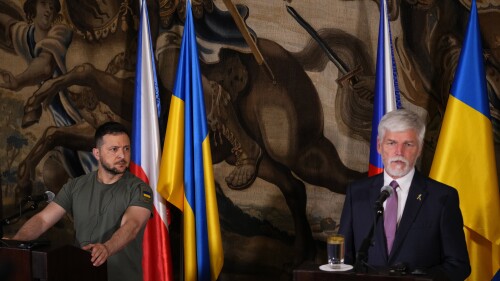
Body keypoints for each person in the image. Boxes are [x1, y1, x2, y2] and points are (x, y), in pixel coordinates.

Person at [339, 109, 470, 281]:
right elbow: (343, 259)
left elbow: (458, 265)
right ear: (379, 146)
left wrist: (419, 279)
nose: (399, 152)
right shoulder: (357, 193)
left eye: (408, 144)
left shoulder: (442, 198)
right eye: (391, 143)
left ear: (420, 149)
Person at [12, 121, 153, 281]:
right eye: (114, 149)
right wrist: (16, 244)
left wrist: (107, 248)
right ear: (97, 153)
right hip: (82, 274)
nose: (122, 155)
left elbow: (132, 226)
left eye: (126, 149)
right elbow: (43, 219)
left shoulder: (140, 189)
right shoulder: (75, 186)